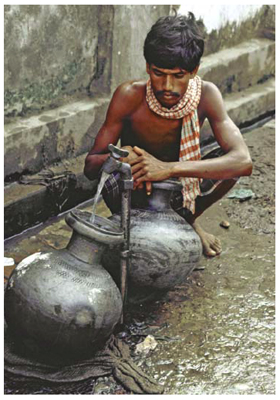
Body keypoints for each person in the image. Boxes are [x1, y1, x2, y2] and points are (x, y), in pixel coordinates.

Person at [84, 13, 252, 257]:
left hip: (177, 187)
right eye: (158, 73)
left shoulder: (207, 95)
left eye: (178, 75)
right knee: (110, 174)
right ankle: (129, 225)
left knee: (226, 167)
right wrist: (121, 158)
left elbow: (243, 162)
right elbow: (90, 166)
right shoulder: (129, 95)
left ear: (194, 70)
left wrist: (168, 168)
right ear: (147, 67)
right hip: (135, 187)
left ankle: (188, 220)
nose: (167, 86)